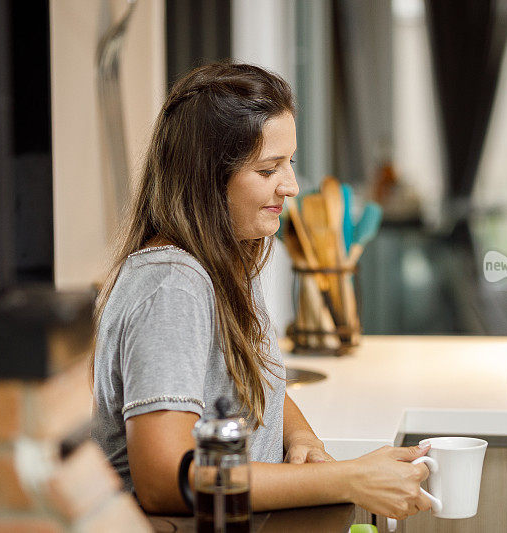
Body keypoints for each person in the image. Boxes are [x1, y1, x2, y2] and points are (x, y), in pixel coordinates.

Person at [90, 61, 432, 520]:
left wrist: (302, 438)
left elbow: (253, 382)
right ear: (207, 179)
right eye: (269, 169)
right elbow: (165, 480)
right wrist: (347, 477)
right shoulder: (172, 287)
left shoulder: (225, 263)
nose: (290, 186)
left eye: (288, 163)